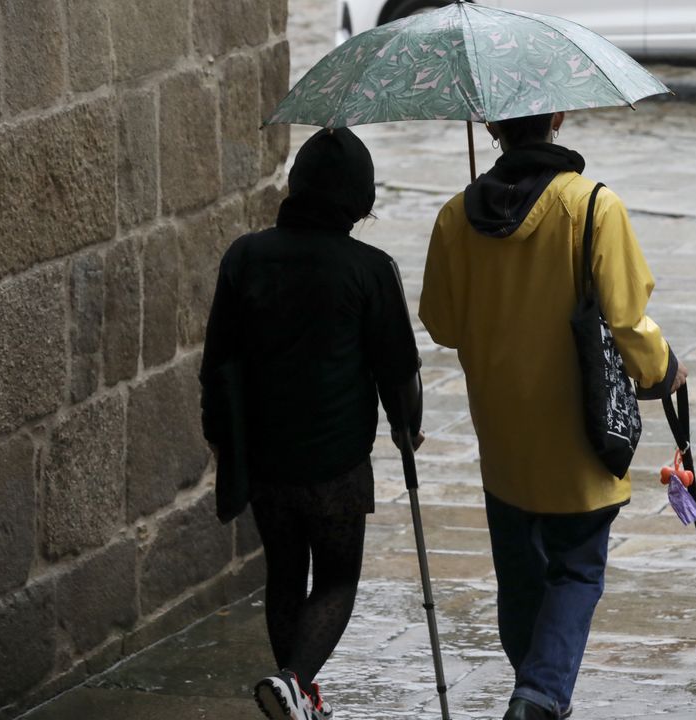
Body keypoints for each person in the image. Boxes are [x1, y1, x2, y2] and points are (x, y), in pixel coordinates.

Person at [419, 112, 687, 720]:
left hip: (504, 433)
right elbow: (625, 321)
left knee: (520, 578)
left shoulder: (458, 215)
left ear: (491, 127)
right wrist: (663, 369)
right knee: (575, 569)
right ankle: (538, 697)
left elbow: (442, 323)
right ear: (558, 118)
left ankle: (533, 692)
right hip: (578, 432)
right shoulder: (592, 207)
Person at [199, 128, 424, 720]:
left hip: (267, 456)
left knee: (284, 574)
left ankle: (297, 697)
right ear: (359, 198)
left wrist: (221, 438)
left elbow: (218, 358)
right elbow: (398, 368)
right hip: (336, 458)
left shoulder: (245, 256)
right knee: (336, 580)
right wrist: (407, 427)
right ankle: (295, 681)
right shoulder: (370, 268)